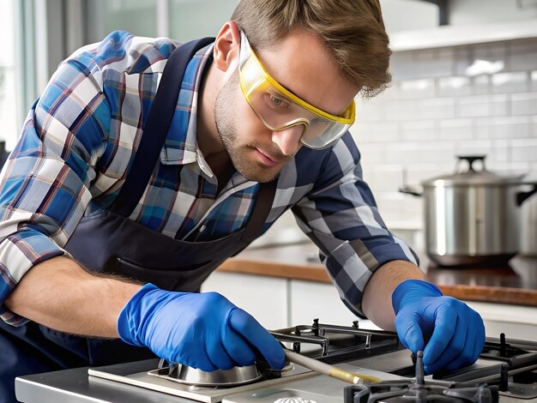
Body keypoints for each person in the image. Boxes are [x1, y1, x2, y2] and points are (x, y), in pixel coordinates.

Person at [0, 0, 485, 401]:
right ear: (229, 47)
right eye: (278, 100)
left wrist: (411, 297)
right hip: (24, 359)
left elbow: (367, 252)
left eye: (323, 119)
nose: (288, 144)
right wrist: (147, 313)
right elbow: (10, 246)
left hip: (152, 370)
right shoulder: (106, 88)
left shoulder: (316, 147)